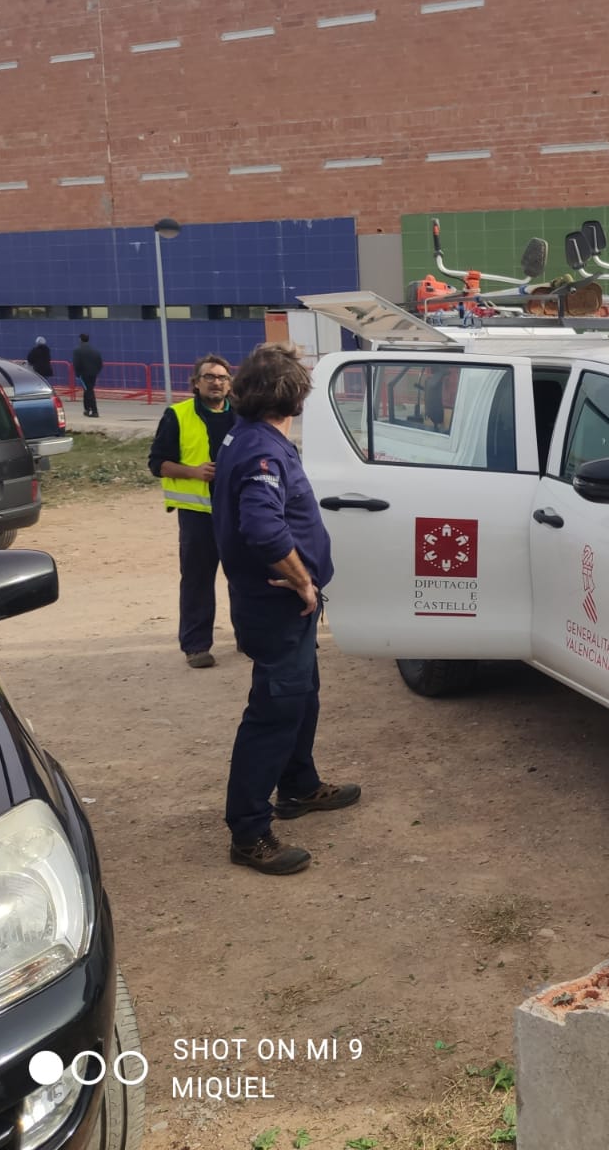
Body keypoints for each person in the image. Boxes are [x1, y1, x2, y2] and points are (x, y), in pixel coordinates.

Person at [213, 342, 359, 875]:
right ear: (295, 397)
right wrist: (302, 583)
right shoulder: (262, 452)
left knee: (302, 697)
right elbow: (262, 526)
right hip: (277, 606)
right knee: (275, 710)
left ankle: (299, 786)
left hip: (275, 608)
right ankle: (249, 831)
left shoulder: (248, 437)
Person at [148, 355, 237, 668]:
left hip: (238, 511)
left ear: (229, 383)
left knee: (243, 576)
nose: (216, 382)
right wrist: (194, 472)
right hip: (197, 515)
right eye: (210, 377)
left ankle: (250, 638)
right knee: (198, 580)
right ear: (196, 383)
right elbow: (157, 464)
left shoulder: (242, 415)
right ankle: (197, 646)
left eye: (222, 377)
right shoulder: (177, 415)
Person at [72, 333, 103, 417]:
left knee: (89, 391)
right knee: (88, 390)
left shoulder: (77, 350)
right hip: (93, 374)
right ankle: (87, 409)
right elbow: (100, 363)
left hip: (84, 374)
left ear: (80, 339)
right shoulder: (94, 350)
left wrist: (78, 374)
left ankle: (94, 411)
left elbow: (76, 363)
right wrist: (96, 371)